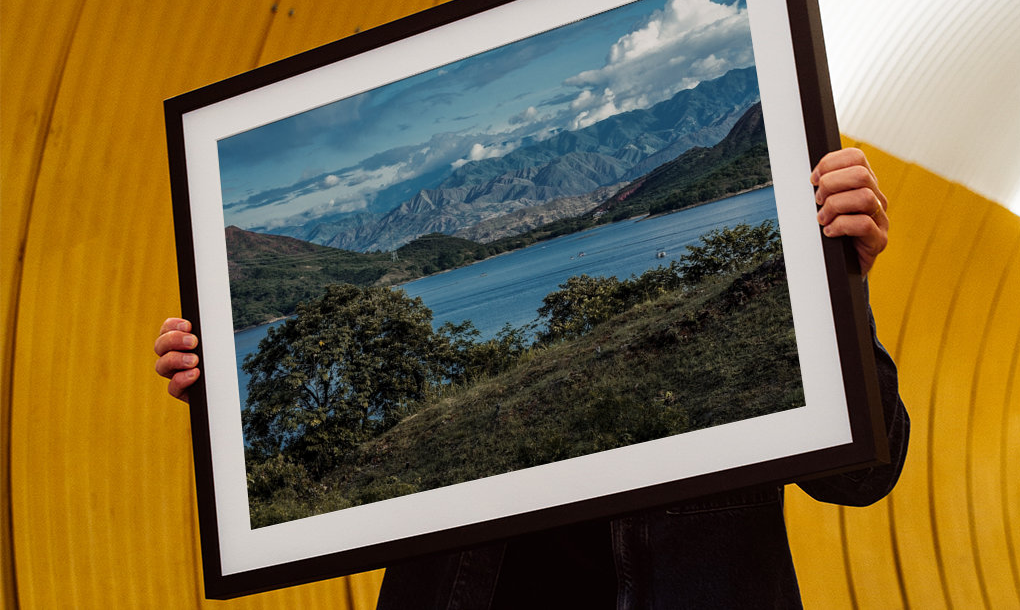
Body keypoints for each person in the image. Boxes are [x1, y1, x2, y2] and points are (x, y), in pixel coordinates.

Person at [155, 148, 909, 608]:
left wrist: (839, 283)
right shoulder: (445, 411)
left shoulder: (772, 285)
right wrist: (229, 401)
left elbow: (864, 476)